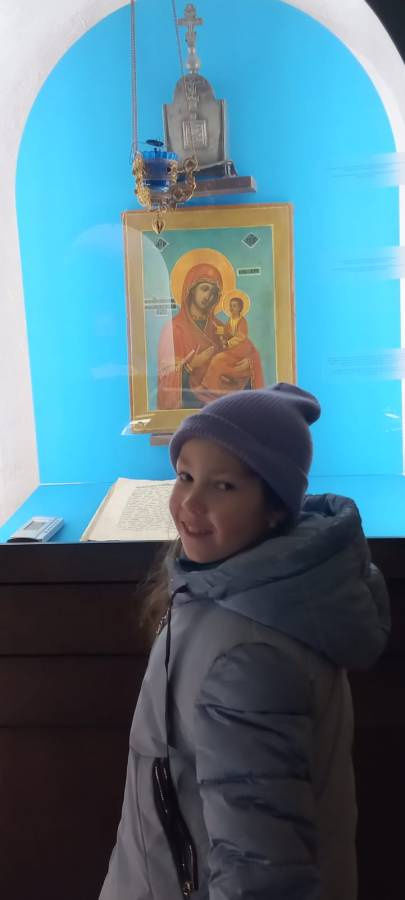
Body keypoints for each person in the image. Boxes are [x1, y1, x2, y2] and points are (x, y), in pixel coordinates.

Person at [99, 383, 390, 900]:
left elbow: (262, 870)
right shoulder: (233, 590)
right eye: (185, 476)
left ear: (274, 506)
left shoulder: (249, 658)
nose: (190, 503)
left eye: (224, 486)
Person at [157, 262, 224, 410]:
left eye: (214, 292)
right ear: (192, 289)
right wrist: (191, 365)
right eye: (204, 289)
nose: (209, 296)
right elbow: (166, 381)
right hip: (188, 406)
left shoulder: (219, 328)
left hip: (219, 405)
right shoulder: (174, 329)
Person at [201, 294, 264, 394]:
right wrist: (219, 330)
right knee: (218, 359)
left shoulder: (242, 321)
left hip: (241, 347)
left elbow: (240, 336)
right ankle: (212, 386)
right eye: (230, 306)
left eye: (234, 306)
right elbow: (227, 331)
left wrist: (228, 343)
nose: (231, 308)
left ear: (240, 308)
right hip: (232, 346)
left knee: (218, 359)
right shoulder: (230, 320)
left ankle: (210, 386)